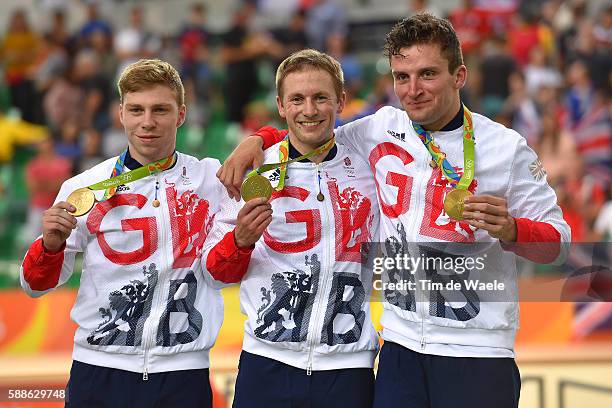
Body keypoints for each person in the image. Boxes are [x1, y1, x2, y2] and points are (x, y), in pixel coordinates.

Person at [217, 14, 571, 408]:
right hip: (399, 352)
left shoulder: (506, 148)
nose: (413, 90)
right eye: (402, 76)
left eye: (428, 74)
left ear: (460, 75)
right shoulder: (381, 127)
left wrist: (512, 229)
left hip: (478, 352)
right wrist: (258, 139)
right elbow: (310, 131)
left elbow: (559, 246)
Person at [20, 59, 224, 408]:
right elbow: (36, 287)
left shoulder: (211, 180)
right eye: (137, 110)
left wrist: (258, 139)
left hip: (183, 373)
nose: (147, 122)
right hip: (99, 371)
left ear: (182, 114)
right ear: (120, 114)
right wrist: (50, 246)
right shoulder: (84, 186)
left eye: (160, 109)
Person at [203, 49, 380, 407]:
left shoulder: (370, 161)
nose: (309, 110)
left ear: (341, 101)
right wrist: (240, 242)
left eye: (320, 98)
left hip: (349, 367)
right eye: (297, 99)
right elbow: (214, 273)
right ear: (281, 105)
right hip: (267, 363)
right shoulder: (253, 170)